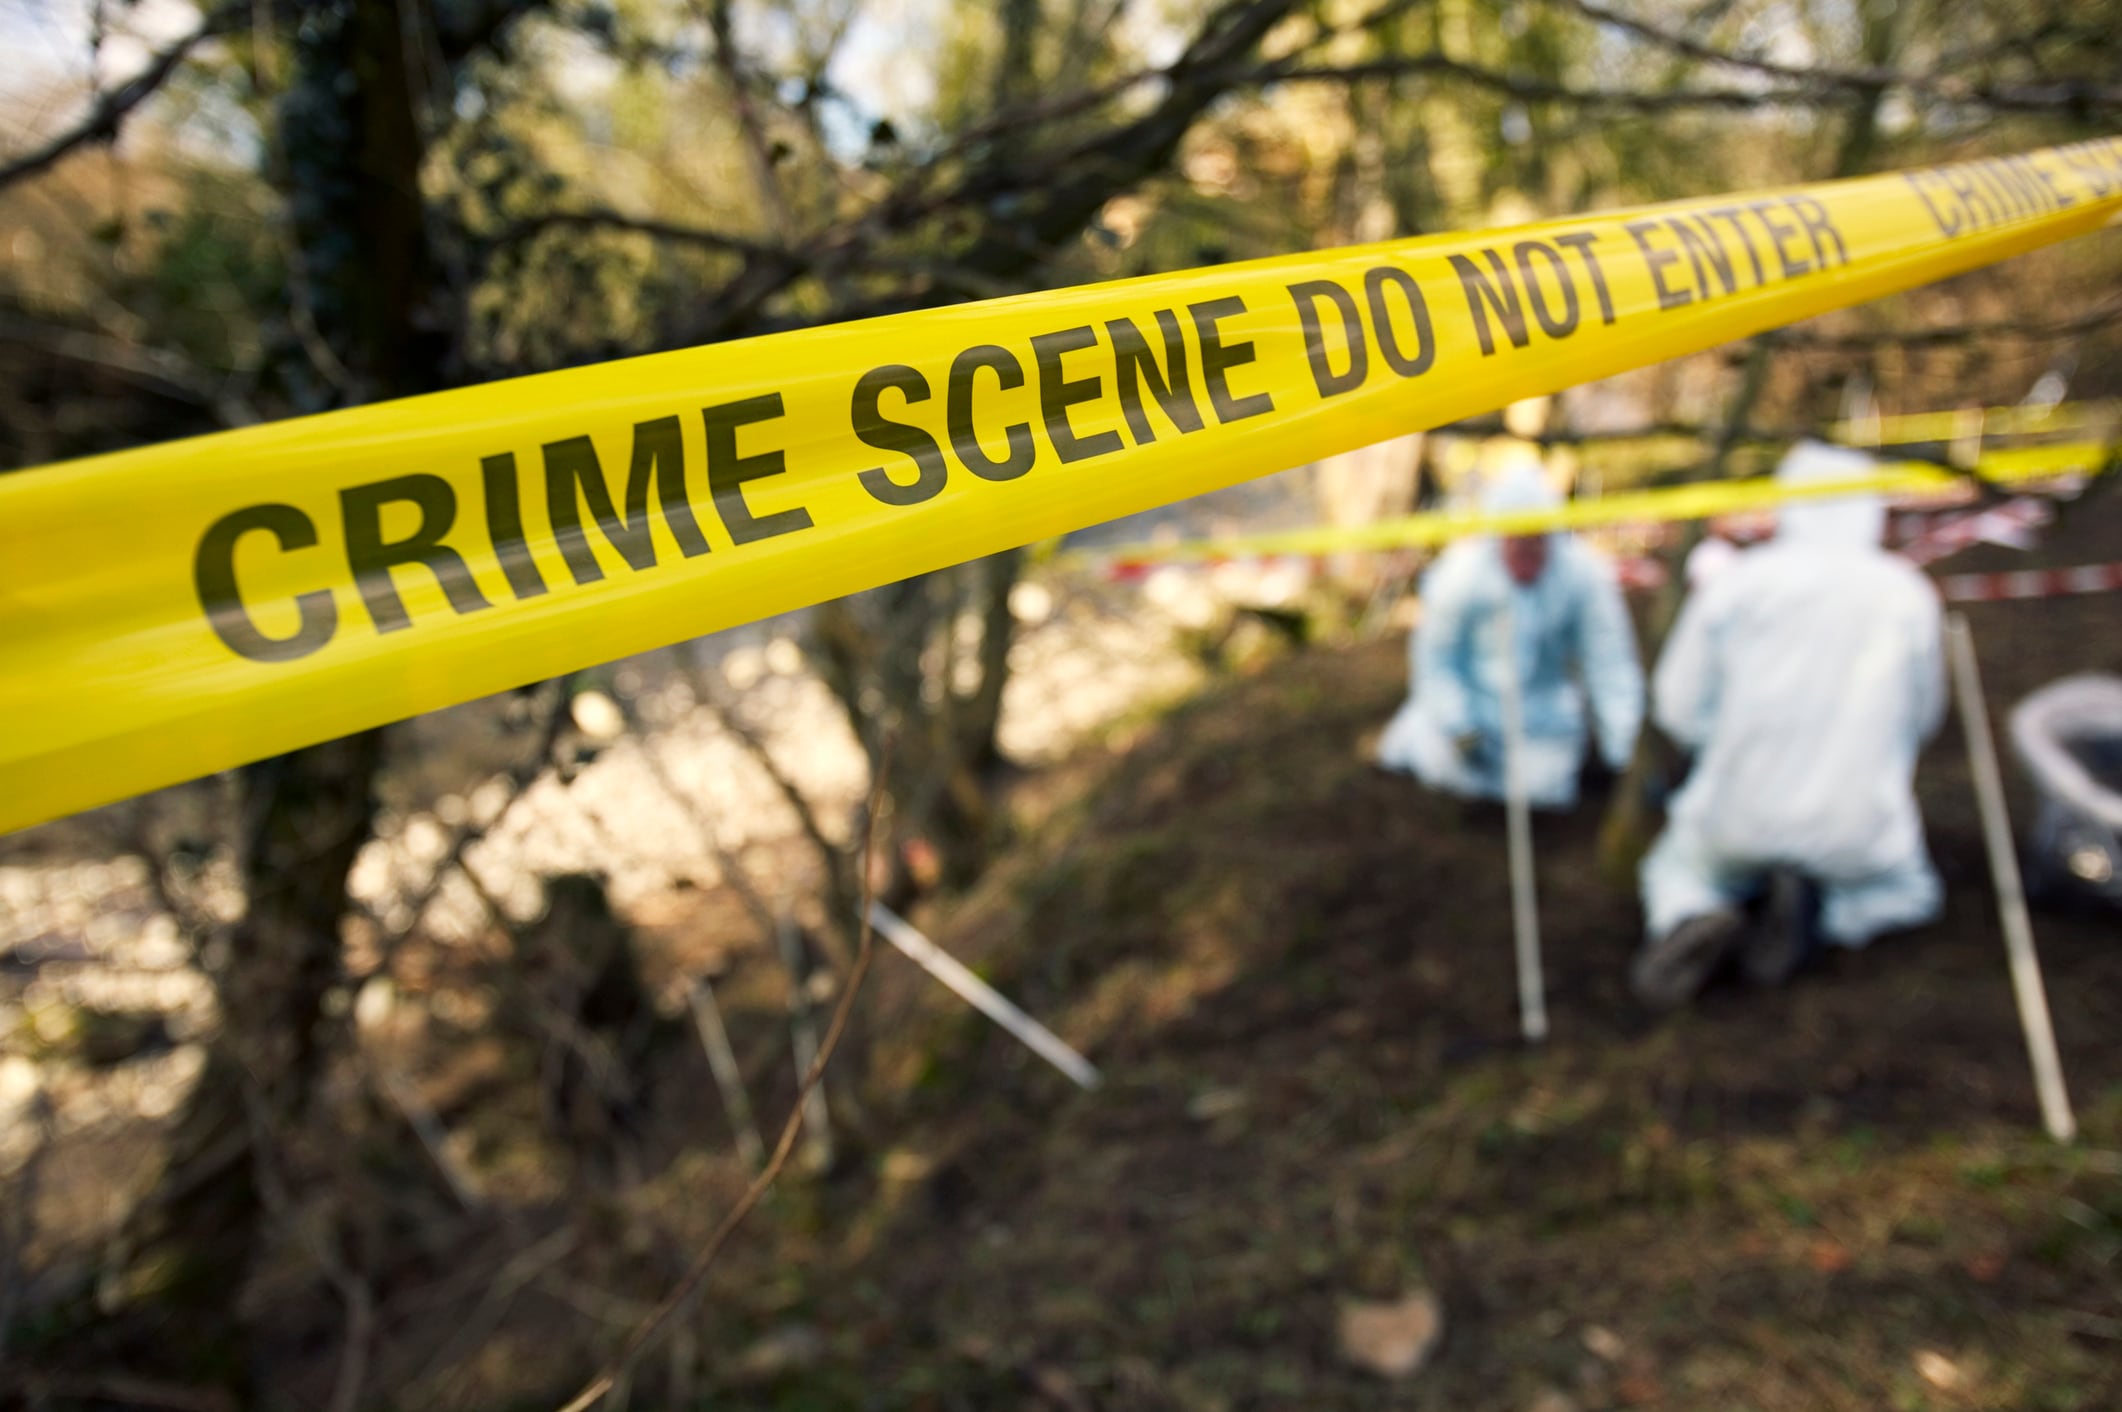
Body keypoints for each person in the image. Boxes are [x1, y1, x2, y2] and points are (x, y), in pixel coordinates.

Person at [1633, 440, 1946, 1008]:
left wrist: (1718, 745)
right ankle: (1821, 915)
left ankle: (1693, 915)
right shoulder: (1908, 594)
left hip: (1738, 812)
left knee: (1675, 867)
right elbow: (1925, 716)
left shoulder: (1739, 583)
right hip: (1859, 824)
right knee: (1909, 890)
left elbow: (1676, 704)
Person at [1377, 448, 1644, 810]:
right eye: (1516, 541)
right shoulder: (1460, 576)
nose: (1527, 552)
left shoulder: (1584, 577)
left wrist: (1626, 750)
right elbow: (1435, 659)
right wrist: (1459, 723)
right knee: (1437, 760)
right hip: (1473, 712)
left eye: (1537, 540)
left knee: (1543, 789)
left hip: (1544, 719)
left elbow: (1609, 662)